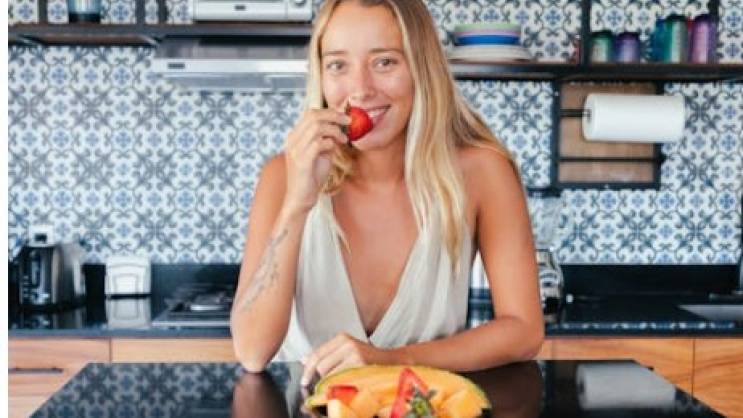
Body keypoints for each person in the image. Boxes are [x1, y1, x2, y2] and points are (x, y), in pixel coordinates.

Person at [230, 0, 544, 386]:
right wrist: (297, 203)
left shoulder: (482, 172)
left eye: (384, 62)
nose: (360, 90)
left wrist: (389, 360)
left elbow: (524, 330)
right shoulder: (283, 175)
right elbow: (252, 351)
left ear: (421, 68)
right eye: (338, 65)